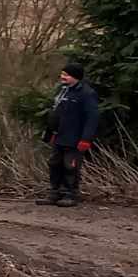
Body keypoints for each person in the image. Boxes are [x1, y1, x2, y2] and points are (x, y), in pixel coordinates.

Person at [42, 59, 100, 208]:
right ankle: (55, 192)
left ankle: (70, 194)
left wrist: (86, 139)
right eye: (62, 74)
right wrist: (51, 132)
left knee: (71, 166)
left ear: (76, 76)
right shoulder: (63, 91)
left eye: (66, 75)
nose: (63, 77)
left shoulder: (87, 94)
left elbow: (92, 118)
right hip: (59, 136)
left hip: (75, 139)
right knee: (54, 164)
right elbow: (56, 114)